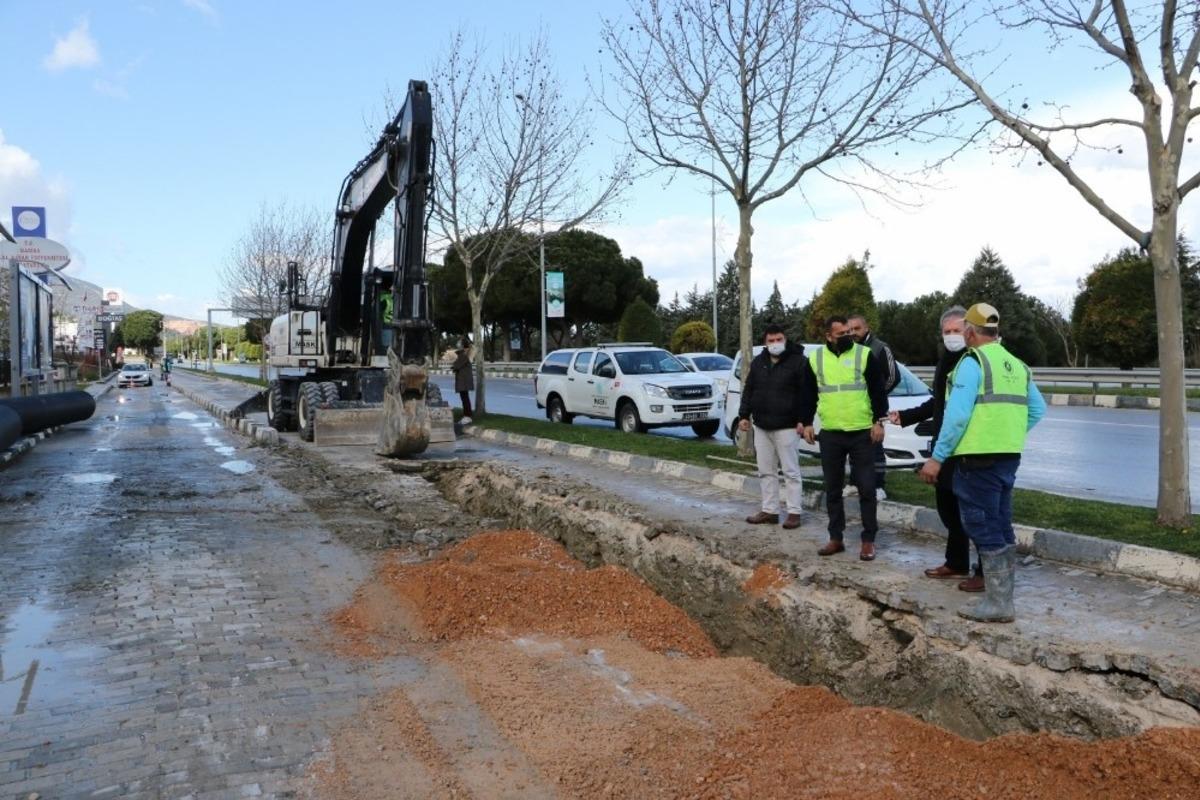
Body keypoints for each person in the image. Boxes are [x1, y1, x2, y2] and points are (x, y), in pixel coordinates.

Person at [918, 303, 1046, 623]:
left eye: (963, 331)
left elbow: (957, 416)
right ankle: (1001, 599)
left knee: (981, 524)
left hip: (976, 459)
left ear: (971, 332)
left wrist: (937, 458)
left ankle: (999, 604)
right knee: (1000, 524)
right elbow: (1037, 410)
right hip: (1008, 457)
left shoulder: (971, 362)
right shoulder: (1017, 364)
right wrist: (1006, 435)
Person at [889, 306, 983, 590]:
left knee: (974, 512)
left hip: (967, 447)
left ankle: (985, 570)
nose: (952, 336)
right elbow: (938, 403)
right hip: (944, 443)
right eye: (947, 332)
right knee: (948, 508)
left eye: (957, 331)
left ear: (969, 331)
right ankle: (956, 563)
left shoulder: (973, 360)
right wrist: (906, 417)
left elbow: (962, 412)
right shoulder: (945, 361)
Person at [800, 315, 890, 561]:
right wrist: (806, 422)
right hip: (831, 433)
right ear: (829, 336)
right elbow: (808, 394)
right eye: (841, 334)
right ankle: (835, 538)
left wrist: (879, 421)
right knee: (832, 489)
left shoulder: (864, 355)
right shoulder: (816, 359)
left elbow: (877, 390)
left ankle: (868, 540)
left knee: (867, 488)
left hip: (862, 432)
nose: (848, 337)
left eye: (850, 332)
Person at [737, 324, 807, 529]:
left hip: (787, 426)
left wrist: (804, 420)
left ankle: (794, 512)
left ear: (785, 339)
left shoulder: (799, 362)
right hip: (762, 425)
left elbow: (806, 394)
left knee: (790, 471)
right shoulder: (759, 362)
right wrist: (744, 414)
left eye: (779, 339)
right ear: (765, 343)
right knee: (766, 470)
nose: (775, 344)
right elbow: (749, 389)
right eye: (771, 340)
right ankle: (770, 510)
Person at [848, 313, 898, 499]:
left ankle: (878, 485)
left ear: (866, 328)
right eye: (850, 329)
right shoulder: (849, 350)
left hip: (874, 408)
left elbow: (893, 377)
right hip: (854, 408)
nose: (853, 332)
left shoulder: (880, 348)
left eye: (857, 328)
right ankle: (854, 483)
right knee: (854, 446)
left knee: (875, 446)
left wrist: (876, 396)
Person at [452, 339, 475, 424]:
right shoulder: (463, 354)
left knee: (465, 398)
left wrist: (453, 366)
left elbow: (456, 366)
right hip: (463, 380)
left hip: (464, 380)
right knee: (464, 398)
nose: (457, 344)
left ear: (462, 345)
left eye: (459, 342)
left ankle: (467, 416)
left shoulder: (464, 355)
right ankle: (467, 415)